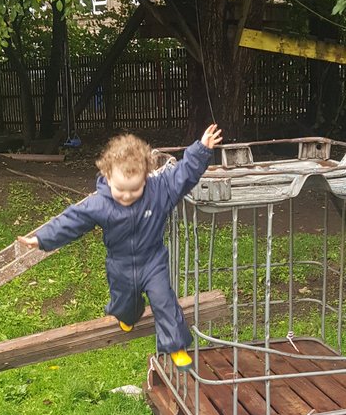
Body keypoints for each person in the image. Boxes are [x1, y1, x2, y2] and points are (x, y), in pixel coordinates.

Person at [17, 124, 223, 367]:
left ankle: (176, 346)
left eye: (134, 189)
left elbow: (184, 174)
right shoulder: (100, 203)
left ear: (146, 176)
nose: (126, 196)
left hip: (153, 261)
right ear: (107, 176)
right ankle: (129, 313)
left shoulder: (160, 191)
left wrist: (201, 149)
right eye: (120, 190)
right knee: (124, 306)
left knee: (164, 300)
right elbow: (70, 221)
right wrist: (41, 238)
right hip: (120, 265)